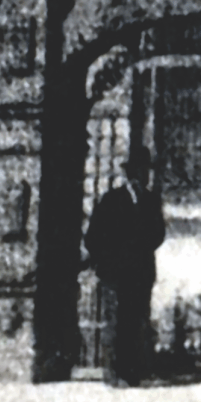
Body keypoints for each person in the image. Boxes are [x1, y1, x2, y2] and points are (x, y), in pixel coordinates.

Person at [83, 147, 165, 387]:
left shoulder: (150, 200)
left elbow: (159, 233)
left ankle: (133, 373)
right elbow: (93, 237)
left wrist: (141, 246)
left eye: (146, 171)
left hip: (140, 272)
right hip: (115, 274)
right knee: (115, 323)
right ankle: (113, 374)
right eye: (141, 171)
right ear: (131, 173)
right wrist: (110, 258)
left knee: (136, 321)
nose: (144, 175)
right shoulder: (111, 200)